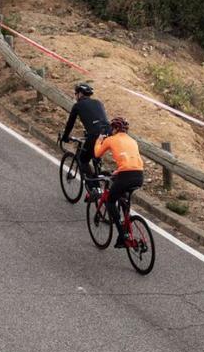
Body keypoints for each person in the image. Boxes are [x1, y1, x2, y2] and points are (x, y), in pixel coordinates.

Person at [94, 117, 144, 248]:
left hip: (125, 175)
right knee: (122, 195)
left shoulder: (111, 139)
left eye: (112, 128)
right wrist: (117, 171)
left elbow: (97, 153)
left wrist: (99, 140)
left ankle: (122, 234)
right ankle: (127, 222)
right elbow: (129, 160)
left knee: (110, 201)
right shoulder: (133, 141)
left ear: (115, 129)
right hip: (139, 175)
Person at [59, 83, 109, 200]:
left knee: (82, 160)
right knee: (95, 156)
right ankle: (99, 174)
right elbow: (97, 119)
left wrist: (65, 137)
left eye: (76, 93)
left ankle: (94, 189)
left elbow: (70, 124)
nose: (75, 96)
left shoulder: (78, 105)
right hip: (107, 134)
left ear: (80, 94)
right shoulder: (98, 103)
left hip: (95, 135)